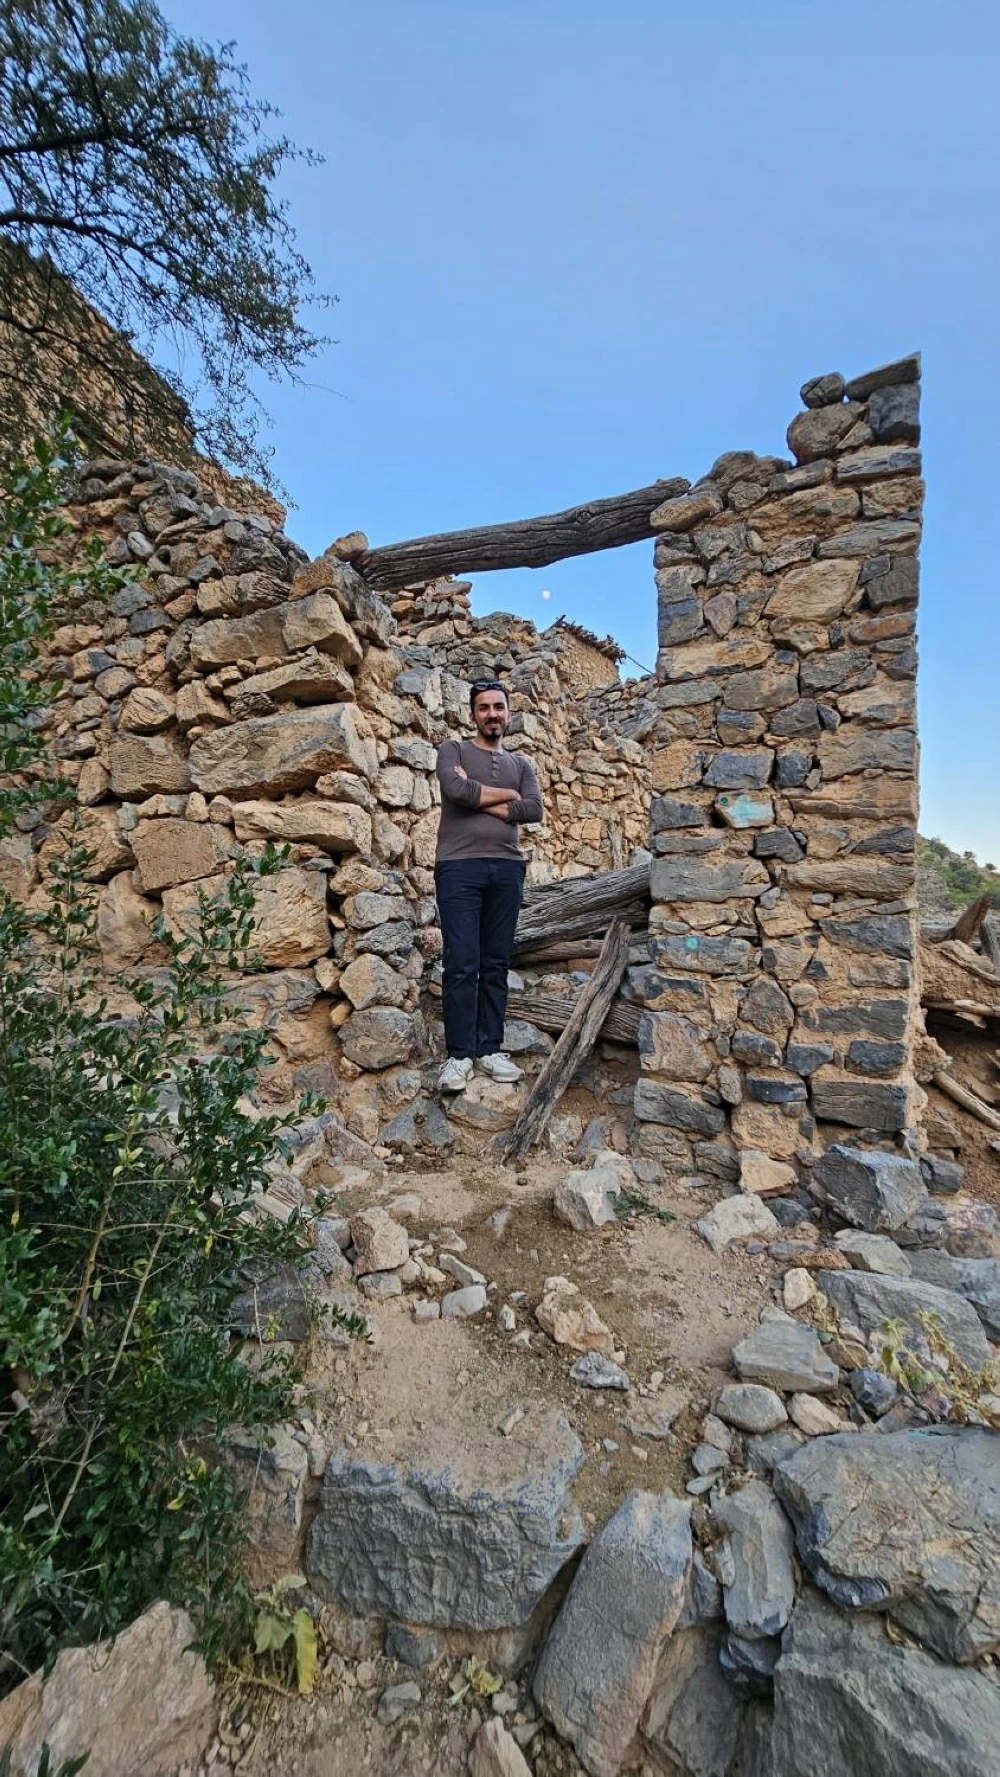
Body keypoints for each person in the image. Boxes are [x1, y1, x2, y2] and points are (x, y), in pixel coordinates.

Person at [434, 678, 544, 1093]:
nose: (492, 714)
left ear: (509, 713)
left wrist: (481, 796)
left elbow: (533, 809)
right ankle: (459, 1055)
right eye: (484, 708)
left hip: (507, 869)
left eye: (499, 707)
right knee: (463, 962)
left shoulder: (522, 764)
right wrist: (506, 797)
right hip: (458, 867)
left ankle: (489, 1048)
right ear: (473, 714)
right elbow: (456, 789)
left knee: (496, 963)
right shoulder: (454, 750)